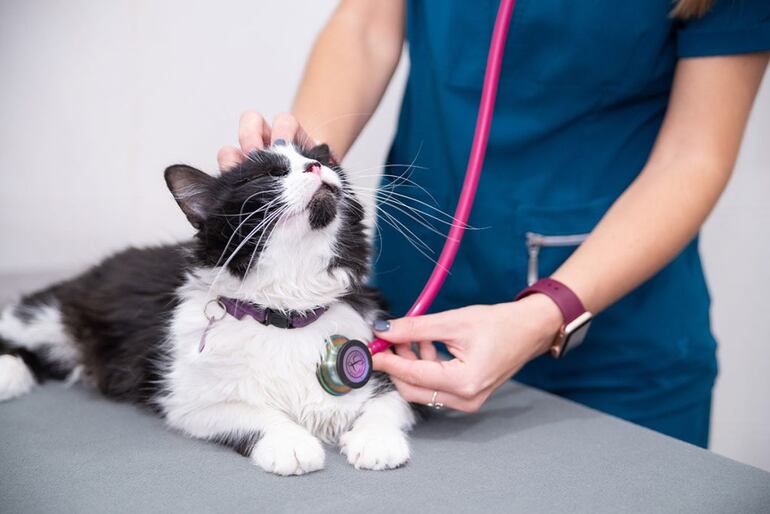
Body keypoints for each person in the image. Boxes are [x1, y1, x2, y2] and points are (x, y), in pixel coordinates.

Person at [217, 1, 770, 447]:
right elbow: (366, 23)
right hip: (409, 328)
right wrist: (295, 172)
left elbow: (694, 157)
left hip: (616, 355)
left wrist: (548, 311)